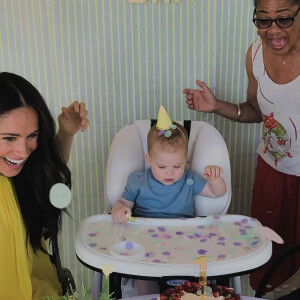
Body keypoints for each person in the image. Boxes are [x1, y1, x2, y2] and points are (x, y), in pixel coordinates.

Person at [183, 0, 300, 293]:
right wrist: (216, 106)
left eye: (284, 19)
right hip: (273, 172)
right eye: (263, 20)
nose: (273, 30)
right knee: (272, 260)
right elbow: (255, 110)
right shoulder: (256, 55)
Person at [111, 105, 226, 295]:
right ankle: (148, 296)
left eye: (177, 165)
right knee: (142, 271)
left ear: (186, 159)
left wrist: (215, 180)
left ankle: (186, 294)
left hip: (183, 238)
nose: (170, 172)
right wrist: (119, 211)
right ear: (149, 159)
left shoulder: (189, 179)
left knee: (195, 269)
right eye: (162, 166)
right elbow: (122, 204)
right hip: (145, 238)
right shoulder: (138, 181)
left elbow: (217, 193)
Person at [0, 72, 89, 299]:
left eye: (33, 135)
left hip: (41, 288)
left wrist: (66, 134)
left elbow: (43, 175)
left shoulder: (13, 174)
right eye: (9, 138)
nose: (23, 151)